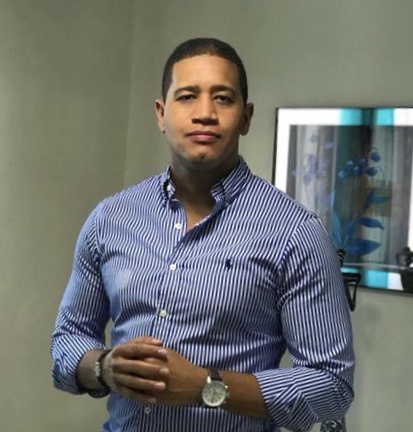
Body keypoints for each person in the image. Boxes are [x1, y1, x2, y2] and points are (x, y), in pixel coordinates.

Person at [51, 37, 355, 432]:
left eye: (223, 99)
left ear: (246, 117)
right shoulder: (110, 218)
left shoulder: (295, 233)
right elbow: (68, 338)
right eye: (187, 97)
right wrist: (104, 367)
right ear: (161, 114)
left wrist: (205, 387)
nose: (205, 114)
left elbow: (331, 385)